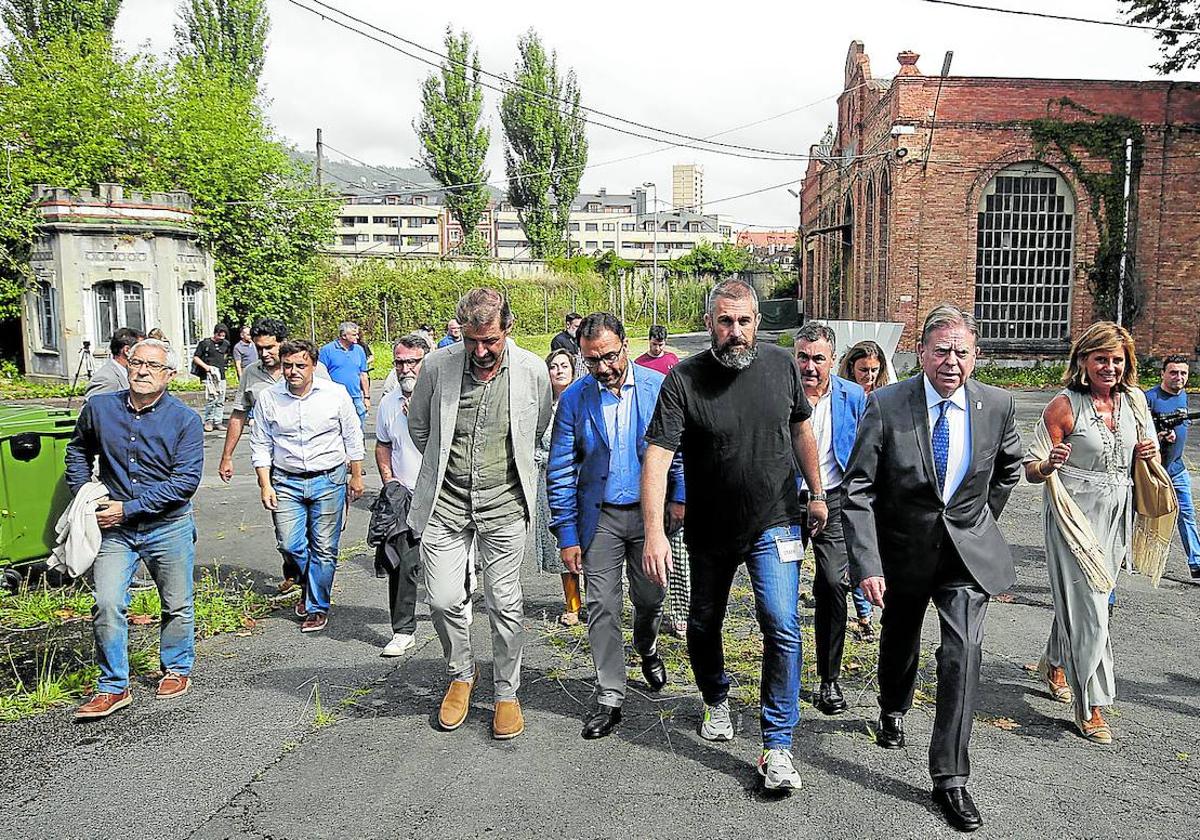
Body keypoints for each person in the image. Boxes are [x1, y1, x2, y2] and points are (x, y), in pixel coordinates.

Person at [641, 278, 827, 792]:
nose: (735, 332)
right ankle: (716, 698)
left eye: (744, 321)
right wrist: (655, 532)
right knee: (703, 624)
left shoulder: (781, 365)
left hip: (776, 521)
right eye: (725, 321)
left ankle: (778, 745)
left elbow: (800, 428)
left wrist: (817, 491)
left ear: (757, 324)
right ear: (709, 324)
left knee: (782, 623)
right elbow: (657, 453)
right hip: (709, 530)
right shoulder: (684, 379)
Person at [842, 304, 1023, 833]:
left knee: (962, 652)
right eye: (941, 350)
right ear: (920, 352)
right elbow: (858, 488)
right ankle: (892, 706)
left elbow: (1008, 468)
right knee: (900, 639)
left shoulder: (998, 405)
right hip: (902, 553)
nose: (951, 361)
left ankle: (950, 778)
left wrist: (979, 519)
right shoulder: (886, 404)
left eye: (962, 352)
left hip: (965, 558)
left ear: (976, 356)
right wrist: (868, 563)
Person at [406, 288, 551, 740]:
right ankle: (461, 674)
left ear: (507, 328)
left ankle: (506, 692)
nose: (481, 351)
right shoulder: (437, 366)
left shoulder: (531, 371)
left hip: (505, 505)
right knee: (445, 599)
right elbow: (419, 428)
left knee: (505, 604)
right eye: (472, 341)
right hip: (445, 505)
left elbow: (538, 425)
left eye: (490, 340)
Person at [1024, 322, 1162, 746]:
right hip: (1072, 515)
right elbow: (1032, 468)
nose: (1110, 367)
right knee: (1092, 606)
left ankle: (1054, 662)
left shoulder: (1136, 402)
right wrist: (1050, 464)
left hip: (1117, 512)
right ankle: (1092, 705)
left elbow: (1148, 453)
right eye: (1101, 358)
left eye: (1117, 360)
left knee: (1084, 601)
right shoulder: (1064, 406)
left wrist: (1150, 452)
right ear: (1083, 361)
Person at [548, 313, 685, 740]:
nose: (603, 367)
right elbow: (560, 470)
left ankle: (646, 646)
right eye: (592, 360)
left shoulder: (658, 386)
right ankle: (610, 692)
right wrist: (567, 535)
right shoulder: (575, 398)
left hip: (650, 516)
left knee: (650, 596)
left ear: (626, 345)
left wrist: (679, 497)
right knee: (601, 605)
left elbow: (679, 448)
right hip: (601, 518)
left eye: (609, 356)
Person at [66, 338, 204, 719]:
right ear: (126, 365)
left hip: (168, 526)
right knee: (107, 603)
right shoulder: (100, 408)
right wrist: (85, 496)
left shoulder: (185, 420)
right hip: (114, 531)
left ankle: (176, 667)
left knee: (177, 604)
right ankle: (113, 686)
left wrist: (127, 509)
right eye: (137, 363)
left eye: (153, 366)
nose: (142, 371)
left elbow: (185, 482)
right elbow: (78, 450)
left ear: (170, 375)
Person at [250, 340, 365, 633]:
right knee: (289, 543)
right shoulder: (269, 398)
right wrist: (265, 485)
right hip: (286, 480)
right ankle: (307, 583)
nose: (293, 371)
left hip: (329, 479)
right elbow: (261, 444)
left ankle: (316, 607)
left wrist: (356, 476)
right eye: (287, 365)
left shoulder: (334, 394)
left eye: (300, 365)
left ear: (314, 365)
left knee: (325, 548)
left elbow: (352, 437)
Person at [218, 318, 330, 592]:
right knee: (286, 534)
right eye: (259, 348)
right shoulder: (251, 373)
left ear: (283, 343)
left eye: (270, 347)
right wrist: (227, 456)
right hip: (274, 465)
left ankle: (310, 587)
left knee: (316, 534)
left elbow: (332, 410)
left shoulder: (315, 370)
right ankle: (296, 571)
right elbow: (239, 414)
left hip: (316, 462)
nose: (264, 353)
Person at [792, 323, 866, 716]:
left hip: (835, 501)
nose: (809, 366)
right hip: (788, 503)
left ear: (833, 361)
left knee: (834, 584)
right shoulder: (782, 393)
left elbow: (868, 452)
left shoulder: (853, 396)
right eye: (802, 356)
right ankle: (784, 675)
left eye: (818, 358)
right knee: (781, 591)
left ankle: (829, 679)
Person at [374, 333, 432, 656]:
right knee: (402, 562)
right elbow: (382, 444)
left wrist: (418, 420)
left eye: (413, 362)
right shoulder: (388, 402)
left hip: (441, 495)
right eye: (400, 362)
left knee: (447, 565)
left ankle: (460, 602)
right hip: (404, 495)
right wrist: (388, 480)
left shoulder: (440, 397)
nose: (406, 368)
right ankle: (403, 630)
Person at [634, 326, 688, 638]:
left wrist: (680, 494)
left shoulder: (672, 364)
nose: (658, 347)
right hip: (647, 482)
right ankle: (654, 608)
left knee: (678, 554)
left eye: (661, 342)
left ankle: (680, 613)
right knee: (648, 558)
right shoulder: (641, 365)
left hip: (670, 484)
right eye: (654, 342)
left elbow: (679, 447)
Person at [837, 339, 890, 640]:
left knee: (868, 550)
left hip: (878, 482)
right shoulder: (846, 396)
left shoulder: (885, 397)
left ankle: (867, 609)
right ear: (851, 368)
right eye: (862, 370)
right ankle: (864, 614)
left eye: (874, 370)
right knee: (852, 550)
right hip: (848, 478)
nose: (868, 376)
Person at [529, 348, 582, 626]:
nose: (559, 370)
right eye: (554, 366)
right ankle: (572, 604)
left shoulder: (583, 401)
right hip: (550, 481)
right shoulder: (542, 407)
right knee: (562, 540)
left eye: (564, 365)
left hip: (581, 481)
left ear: (573, 370)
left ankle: (599, 602)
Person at [1145, 354, 1200, 581]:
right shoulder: (1149, 398)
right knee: (1134, 515)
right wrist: (1158, 436)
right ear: (1162, 374)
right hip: (1150, 471)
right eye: (1173, 372)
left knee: (1186, 514)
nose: (1179, 377)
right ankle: (1119, 556)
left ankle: (1196, 563)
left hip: (1177, 469)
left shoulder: (1183, 396)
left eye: (1183, 373)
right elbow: (1137, 433)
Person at [318, 321, 371, 431]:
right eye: (354, 334)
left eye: (357, 334)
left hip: (355, 397)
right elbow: (320, 374)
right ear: (344, 336)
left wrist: (366, 397)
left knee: (358, 430)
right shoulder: (327, 350)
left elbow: (363, 374)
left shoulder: (359, 350)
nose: (357, 337)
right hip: (333, 397)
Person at [83, 327, 143, 400]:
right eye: (141, 349)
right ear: (127, 350)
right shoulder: (106, 379)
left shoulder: (127, 372)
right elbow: (92, 408)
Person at [192, 323, 231, 433]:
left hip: (221, 375)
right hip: (209, 375)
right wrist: (206, 367)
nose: (222, 338)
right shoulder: (205, 344)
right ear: (215, 333)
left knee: (220, 399)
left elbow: (225, 356)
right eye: (220, 336)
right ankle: (208, 421)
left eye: (223, 336)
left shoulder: (226, 344)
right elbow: (196, 357)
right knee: (211, 398)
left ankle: (218, 421)